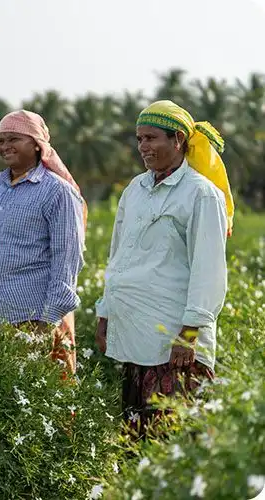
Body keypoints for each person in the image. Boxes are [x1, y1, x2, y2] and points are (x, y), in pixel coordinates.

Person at [95, 100, 231, 439]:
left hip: (174, 340)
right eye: (140, 139)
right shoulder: (135, 190)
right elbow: (118, 256)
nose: (143, 147)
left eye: (152, 138)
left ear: (179, 140)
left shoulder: (201, 194)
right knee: (136, 440)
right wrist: (105, 313)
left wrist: (188, 335)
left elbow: (208, 270)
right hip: (135, 334)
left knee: (176, 440)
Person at [0, 110, 86, 377]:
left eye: (13, 139)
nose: (5, 147)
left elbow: (67, 258)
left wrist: (49, 320)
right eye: (1, 141)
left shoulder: (57, 191)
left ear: (37, 144)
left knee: (37, 396)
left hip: (32, 317)